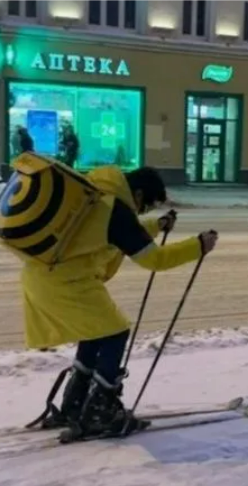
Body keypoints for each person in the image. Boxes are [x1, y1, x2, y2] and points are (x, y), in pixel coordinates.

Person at [21, 165, 218, 438]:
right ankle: (99, 413)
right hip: (66, 282)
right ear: (137, 194)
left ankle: (75, 405)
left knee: (97, 331)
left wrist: (156, 226)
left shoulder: (100, 194)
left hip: (45, 275)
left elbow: (116, 235)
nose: (141, 213)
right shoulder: (117, 212)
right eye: (145, 207)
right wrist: (198, 245)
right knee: (116, 331)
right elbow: (153, 258)